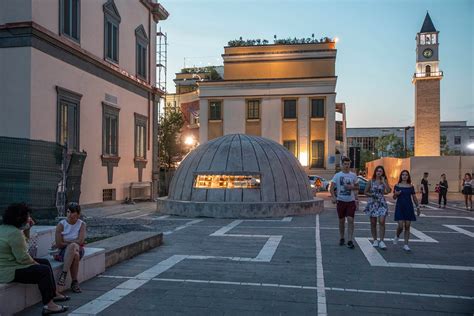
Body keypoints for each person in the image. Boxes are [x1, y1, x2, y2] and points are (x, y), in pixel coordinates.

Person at [0, 203, 69, 315]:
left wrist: (28, 229)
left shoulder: (4, 228)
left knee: (45, 262)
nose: (29, 219)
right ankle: (49, 305)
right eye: (27, 217)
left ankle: (53, 293)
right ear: (20, 218)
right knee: (43, 270)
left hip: (9, 265)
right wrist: (35, 263)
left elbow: (23, 246)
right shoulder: (14, 233)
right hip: (7, 271)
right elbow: (23, 258)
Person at [54, 202, 86, 293]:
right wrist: (73, 242)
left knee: (74, 247)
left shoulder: (82, 224)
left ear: (78, 214)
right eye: (68, 212)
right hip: (63, 252)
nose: (69, 214)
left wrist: (66, 241)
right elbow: (59, 244)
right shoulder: (61, 225)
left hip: (79, 249)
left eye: (72, 212)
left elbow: (80, 242)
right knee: (74, 254)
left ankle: (64, 273)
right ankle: (74, 282)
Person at [330, 157, 359, 249]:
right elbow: (331, 187)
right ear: (342, 165)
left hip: (350, 201)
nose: (347, 166)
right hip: (341, 201)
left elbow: (357, 187)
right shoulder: (337, 175)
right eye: (345, 164)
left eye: (348, 164)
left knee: (350, 220)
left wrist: (352, 187)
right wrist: (333, 197)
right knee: (341, 221)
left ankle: (350, 240)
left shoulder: (353, 175)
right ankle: (342, 237)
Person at [364, 166, 391, 250]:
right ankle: (375, 240)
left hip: (381, 203)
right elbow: (365, 192)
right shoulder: (371, 181)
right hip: (372, 203)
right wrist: (371, 195)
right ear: (375, 172)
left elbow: (388, 191)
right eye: (378, 171)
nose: (379, 172)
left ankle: (382, 241)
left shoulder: (384, 181)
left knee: (382, 221)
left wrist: (384, 182)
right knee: (373, 222)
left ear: (383, 173)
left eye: (381, 171)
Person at [393, 170, 421, 252]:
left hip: (409, 207)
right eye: (403, 175)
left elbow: (414, 197)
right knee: (401, 226)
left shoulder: (410, 186)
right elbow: (394, 197)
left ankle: (406, 244)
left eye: (406, 175)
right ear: (400, 176)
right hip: (400, 207)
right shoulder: (397, 186)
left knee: (407, 226)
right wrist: (396, 194)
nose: (404, 176)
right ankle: (397, 235)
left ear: (408, 176)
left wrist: (418, 207)